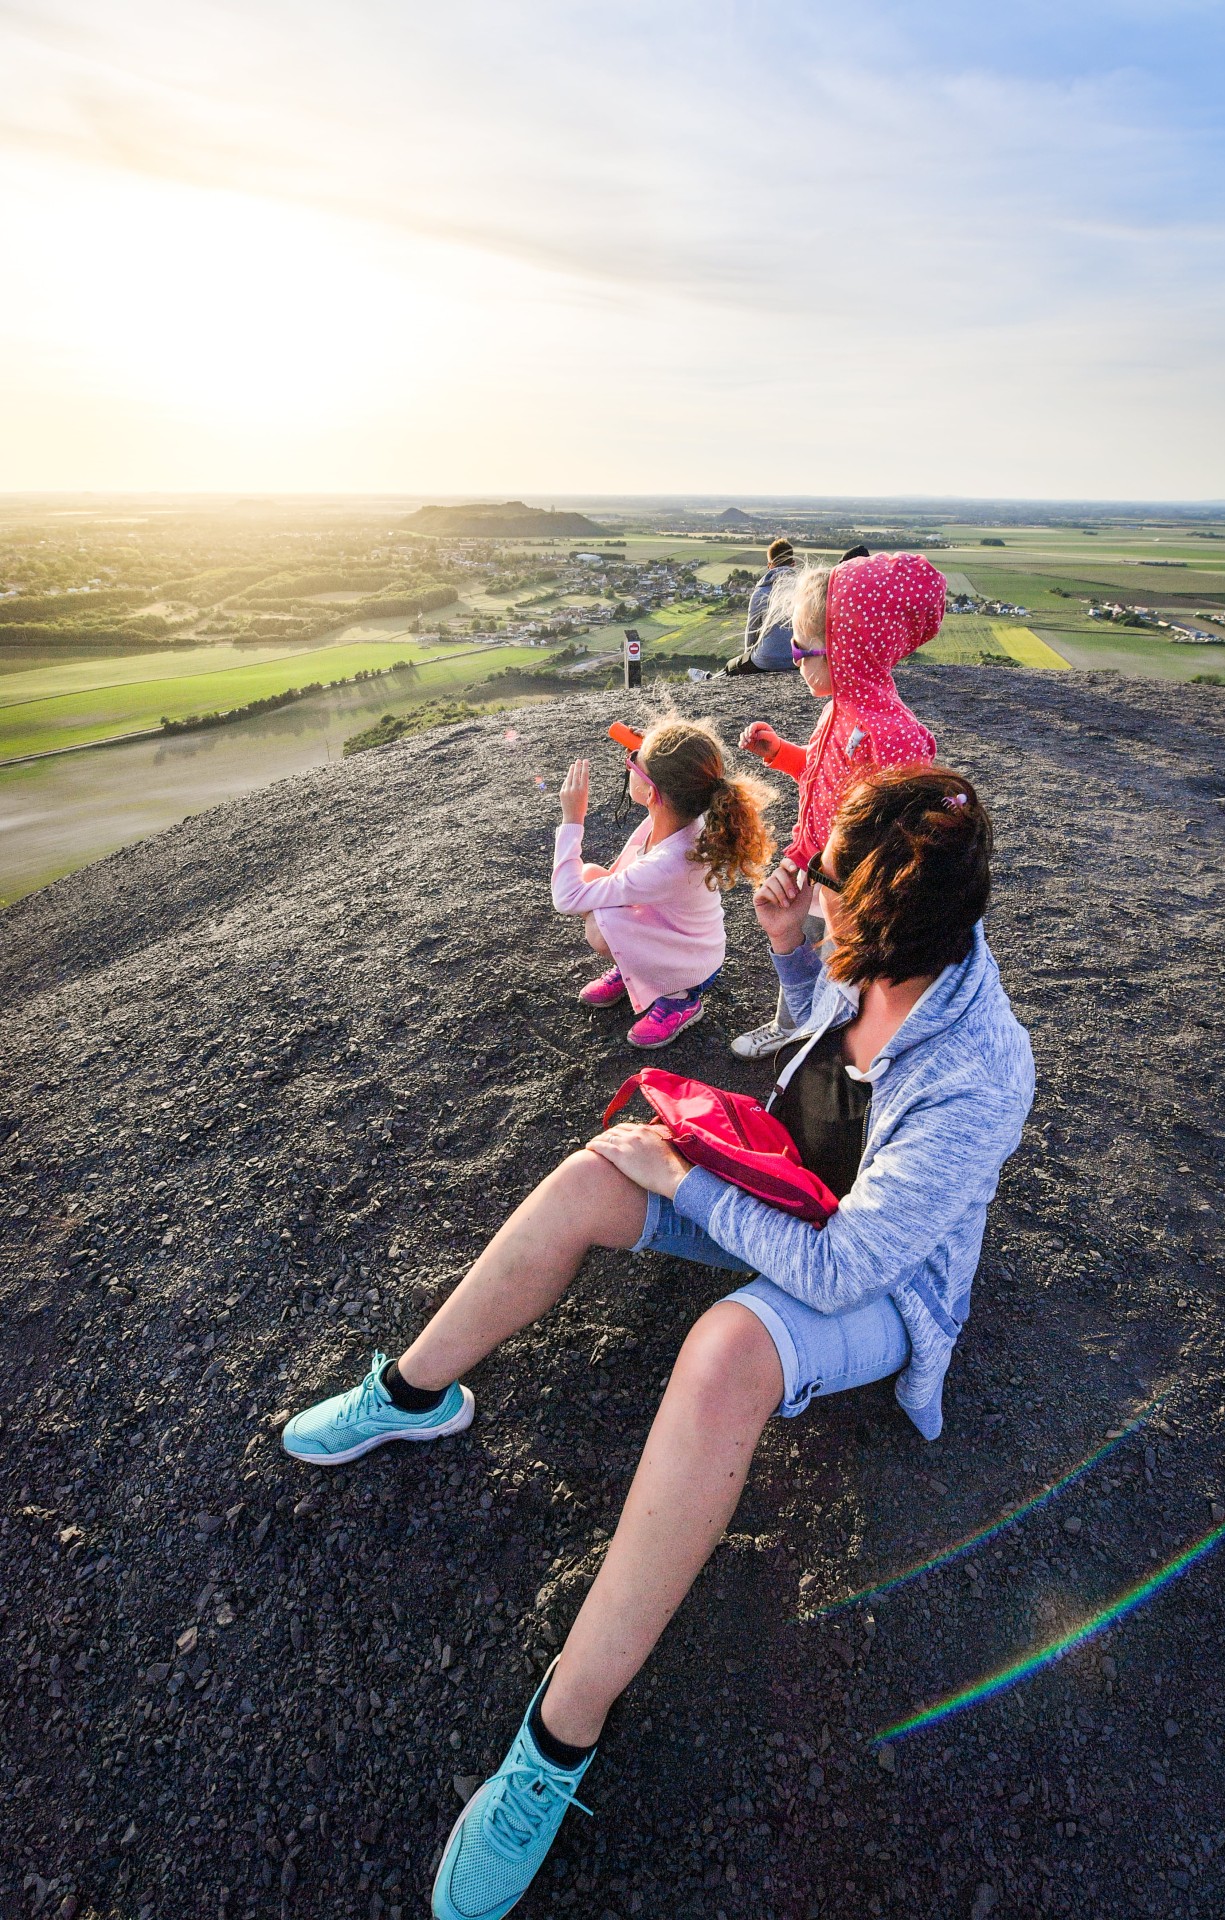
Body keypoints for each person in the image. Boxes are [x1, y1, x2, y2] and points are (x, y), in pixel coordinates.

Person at [280, 766, 1035, 1920]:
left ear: (893, 917)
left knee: (724, 1353)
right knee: (592, 1170)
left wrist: (683, 1174)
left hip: (879, 1279)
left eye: (826, 887)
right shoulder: (878, 949)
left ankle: (554, 1746)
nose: (810, 888)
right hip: (796, 1191)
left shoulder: (980, 1071)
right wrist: (789, 948)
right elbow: (823, 1057)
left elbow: (847, 1271)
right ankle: (410, 1390)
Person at [730, 550, 945, 1059]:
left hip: (849, 889)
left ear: (852, 649)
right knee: (797, 943)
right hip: (814, 864)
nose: (796, 662)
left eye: (805, 650)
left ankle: (828, 1053)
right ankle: (793, 1025)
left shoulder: (891, 734)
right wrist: (782, 754)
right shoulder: (840, 708)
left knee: (842, 973)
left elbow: (903, 834)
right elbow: (823, 776)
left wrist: (855, 898)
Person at [551, 717, 776, 1048]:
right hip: (687, 942)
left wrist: (572, 821)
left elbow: (566, 898)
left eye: (633, 764)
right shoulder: (679, 817)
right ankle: (638, 971)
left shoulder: (671, 861)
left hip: (694, 966)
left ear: (651, 791)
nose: (629, 766)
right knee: (593, 876)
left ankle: (681, 997)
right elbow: (681, 769)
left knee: (600, 925)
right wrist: (657, 756)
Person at [722, 536, 797, 675]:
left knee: (730, 667)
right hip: (800, 659)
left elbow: (752, 631)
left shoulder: (761, 592)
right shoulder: (807, 588)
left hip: (767, 661)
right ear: (793, 563)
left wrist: (747, 658)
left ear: (770, 566)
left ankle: (708, 678)